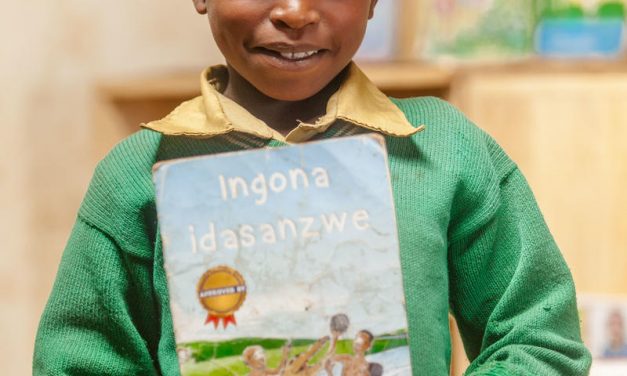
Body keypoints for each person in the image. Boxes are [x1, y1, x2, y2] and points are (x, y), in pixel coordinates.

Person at [33, 0, 592, 375]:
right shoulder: (138, 176)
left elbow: (540, 341)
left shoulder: (446, 149)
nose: (296, 12)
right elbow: (82, 360)